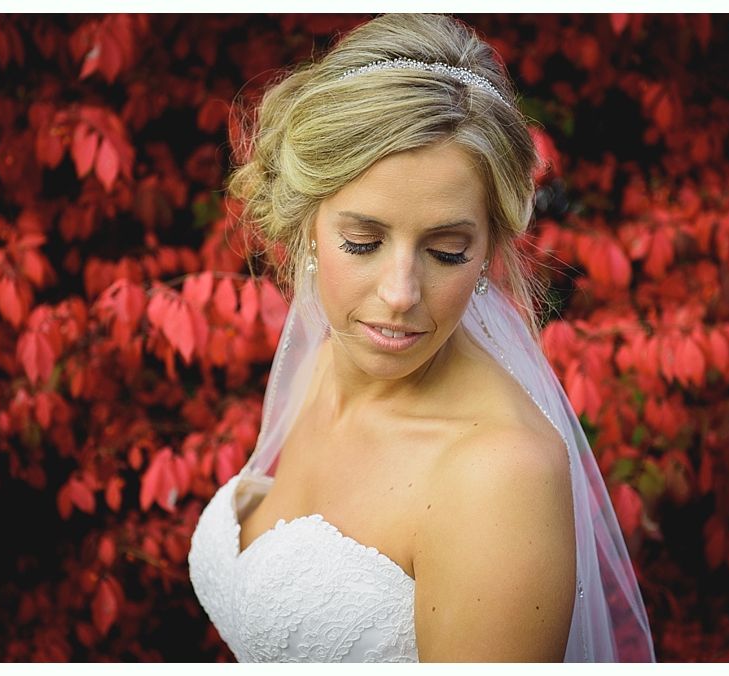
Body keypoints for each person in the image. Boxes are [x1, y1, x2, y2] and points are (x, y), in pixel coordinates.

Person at [188, 13, 654, 662]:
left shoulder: (499, 474)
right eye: (363, 243)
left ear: (490, 242)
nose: (400, 295)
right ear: (307, 224)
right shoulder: (329, 357)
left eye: (446, 251)